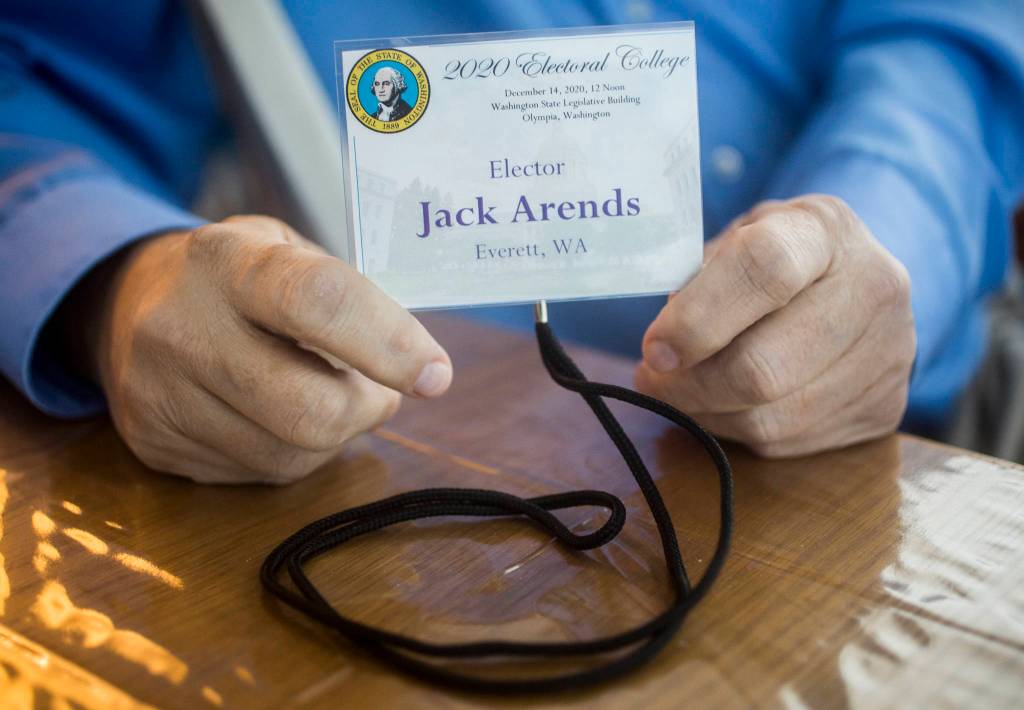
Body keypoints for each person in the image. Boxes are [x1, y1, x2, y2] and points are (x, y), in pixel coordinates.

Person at [1, 2, 1022, 484]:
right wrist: (114, 280)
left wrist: (882, 244)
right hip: (391, 459)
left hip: (891, 445)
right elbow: (38, 79)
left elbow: (948, 47)